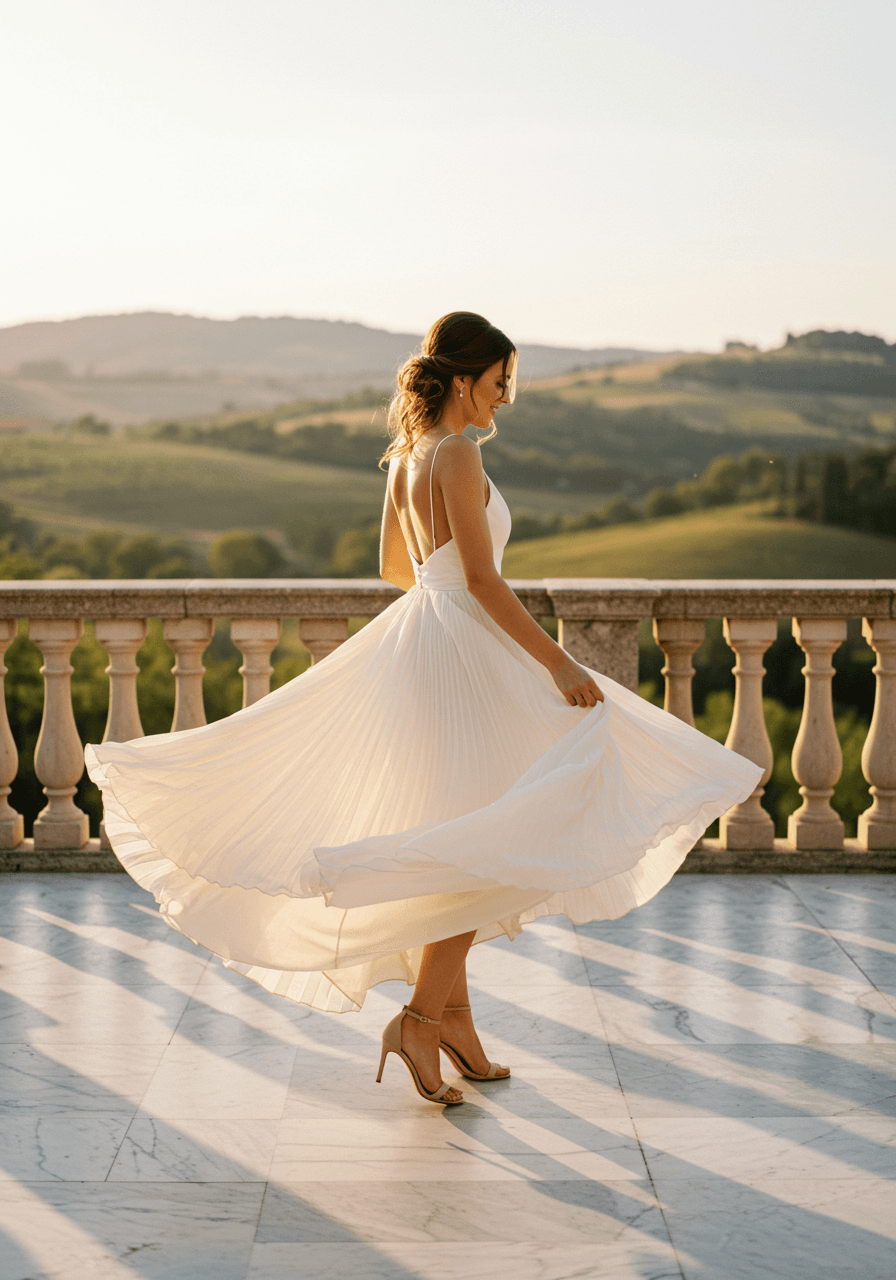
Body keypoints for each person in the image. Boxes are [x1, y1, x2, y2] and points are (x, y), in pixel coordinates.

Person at [86, 311, 762, 1107]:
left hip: (427, 646)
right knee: (488, 842)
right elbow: (481, 579)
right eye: (500, 382)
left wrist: (440, 617)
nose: (505, 399)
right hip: (464, 653)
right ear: (467, 377)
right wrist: (556, 661)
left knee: (471, 840)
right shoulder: (459, 454)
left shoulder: (408, 454)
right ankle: (417, 1020)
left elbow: (393, 568)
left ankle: (454, 1024)